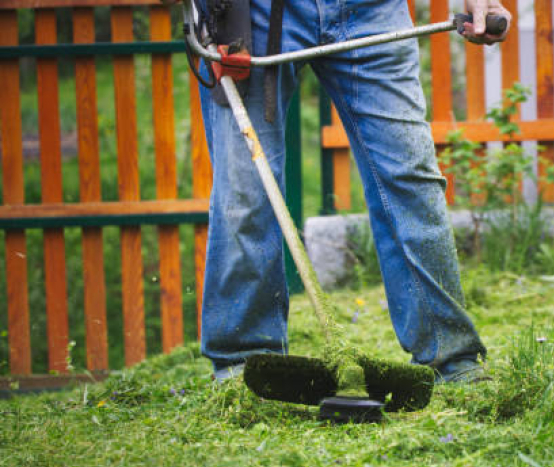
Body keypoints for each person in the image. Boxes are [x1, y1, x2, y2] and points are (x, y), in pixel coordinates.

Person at [171, 0, 511, 382]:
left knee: (410, 175)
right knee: (245, 190)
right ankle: (244, 367)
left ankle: (450, 359)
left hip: (372, 9)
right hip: (253, 14)